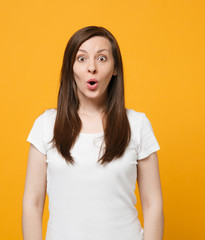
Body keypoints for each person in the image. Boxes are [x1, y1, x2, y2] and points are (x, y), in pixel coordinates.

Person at [22, 26, 164, 240]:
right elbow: (32, 203)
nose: (92, 68)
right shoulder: (46, 125)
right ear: (70, 68)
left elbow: (153, 204)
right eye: (81, 59)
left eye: (102, 58)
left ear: (115, 68)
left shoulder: (137, 124)